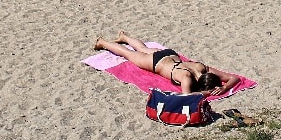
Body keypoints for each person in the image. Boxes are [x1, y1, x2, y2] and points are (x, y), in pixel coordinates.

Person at [93, 31, 240, 95]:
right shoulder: (186, 78)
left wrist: (225, 86)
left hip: (170, 55)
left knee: (143, 48)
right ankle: (102, 42)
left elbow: (234, 78)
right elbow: (187, 96)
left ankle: (124, 37)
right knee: (128, 53)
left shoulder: (201, 68)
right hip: (156, 63)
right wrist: (210, 92)